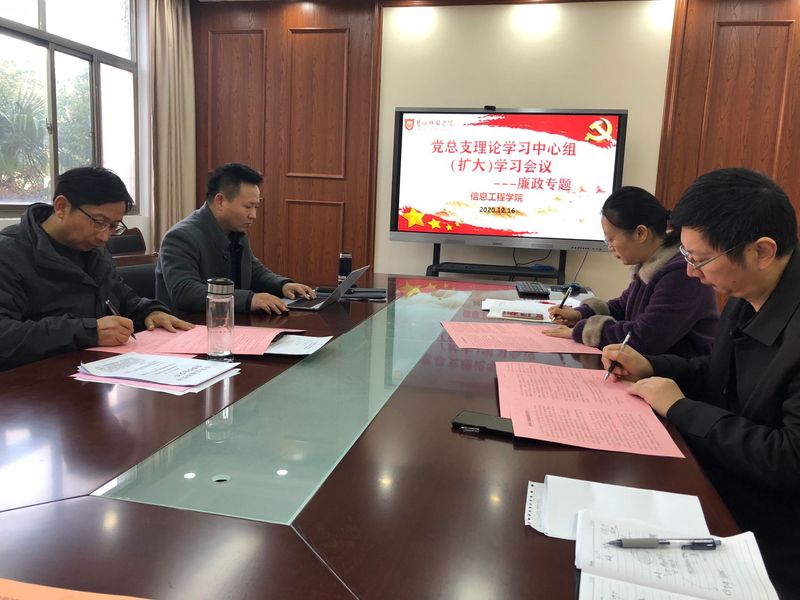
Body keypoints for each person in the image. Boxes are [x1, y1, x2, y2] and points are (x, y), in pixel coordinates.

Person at [603, 168, 800, 597]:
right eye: (686, 256)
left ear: (762, 251)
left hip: (771, 533)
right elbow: (717, 373)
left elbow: (789, 459)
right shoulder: (748, 292)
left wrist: (679, 408)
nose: (692, 273)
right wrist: (651, 366)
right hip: (724, 482)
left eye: (700, 259)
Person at [0, 167, 193, 371]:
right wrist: (89, 332)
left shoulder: (95, 249)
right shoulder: (9, 254)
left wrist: (149, 312)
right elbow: (4, 335)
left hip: (96, 370)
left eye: (113, 226)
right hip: (32, 380)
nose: (104, 236)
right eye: (99, 222)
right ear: (61, 207)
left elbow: (122, 298)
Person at [544, 186, 718, 357]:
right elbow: (622, 307)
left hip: (678, 372)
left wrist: (582, 331)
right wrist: (580, 314)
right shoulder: (651, 265)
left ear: (640, 233)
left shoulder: (681, 273)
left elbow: (644, 338)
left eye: (611, 239)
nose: (610, 247)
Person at [155, 163, 315, 315]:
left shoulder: (236, 230)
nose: (253, 215)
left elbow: (253, 271)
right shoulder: (180, 237)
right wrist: (249, 299)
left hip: (229, 323)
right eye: (248, 207)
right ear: (220, 201)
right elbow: (185, 292)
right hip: (191, 327)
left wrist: (283, 285)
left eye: (256, 207)